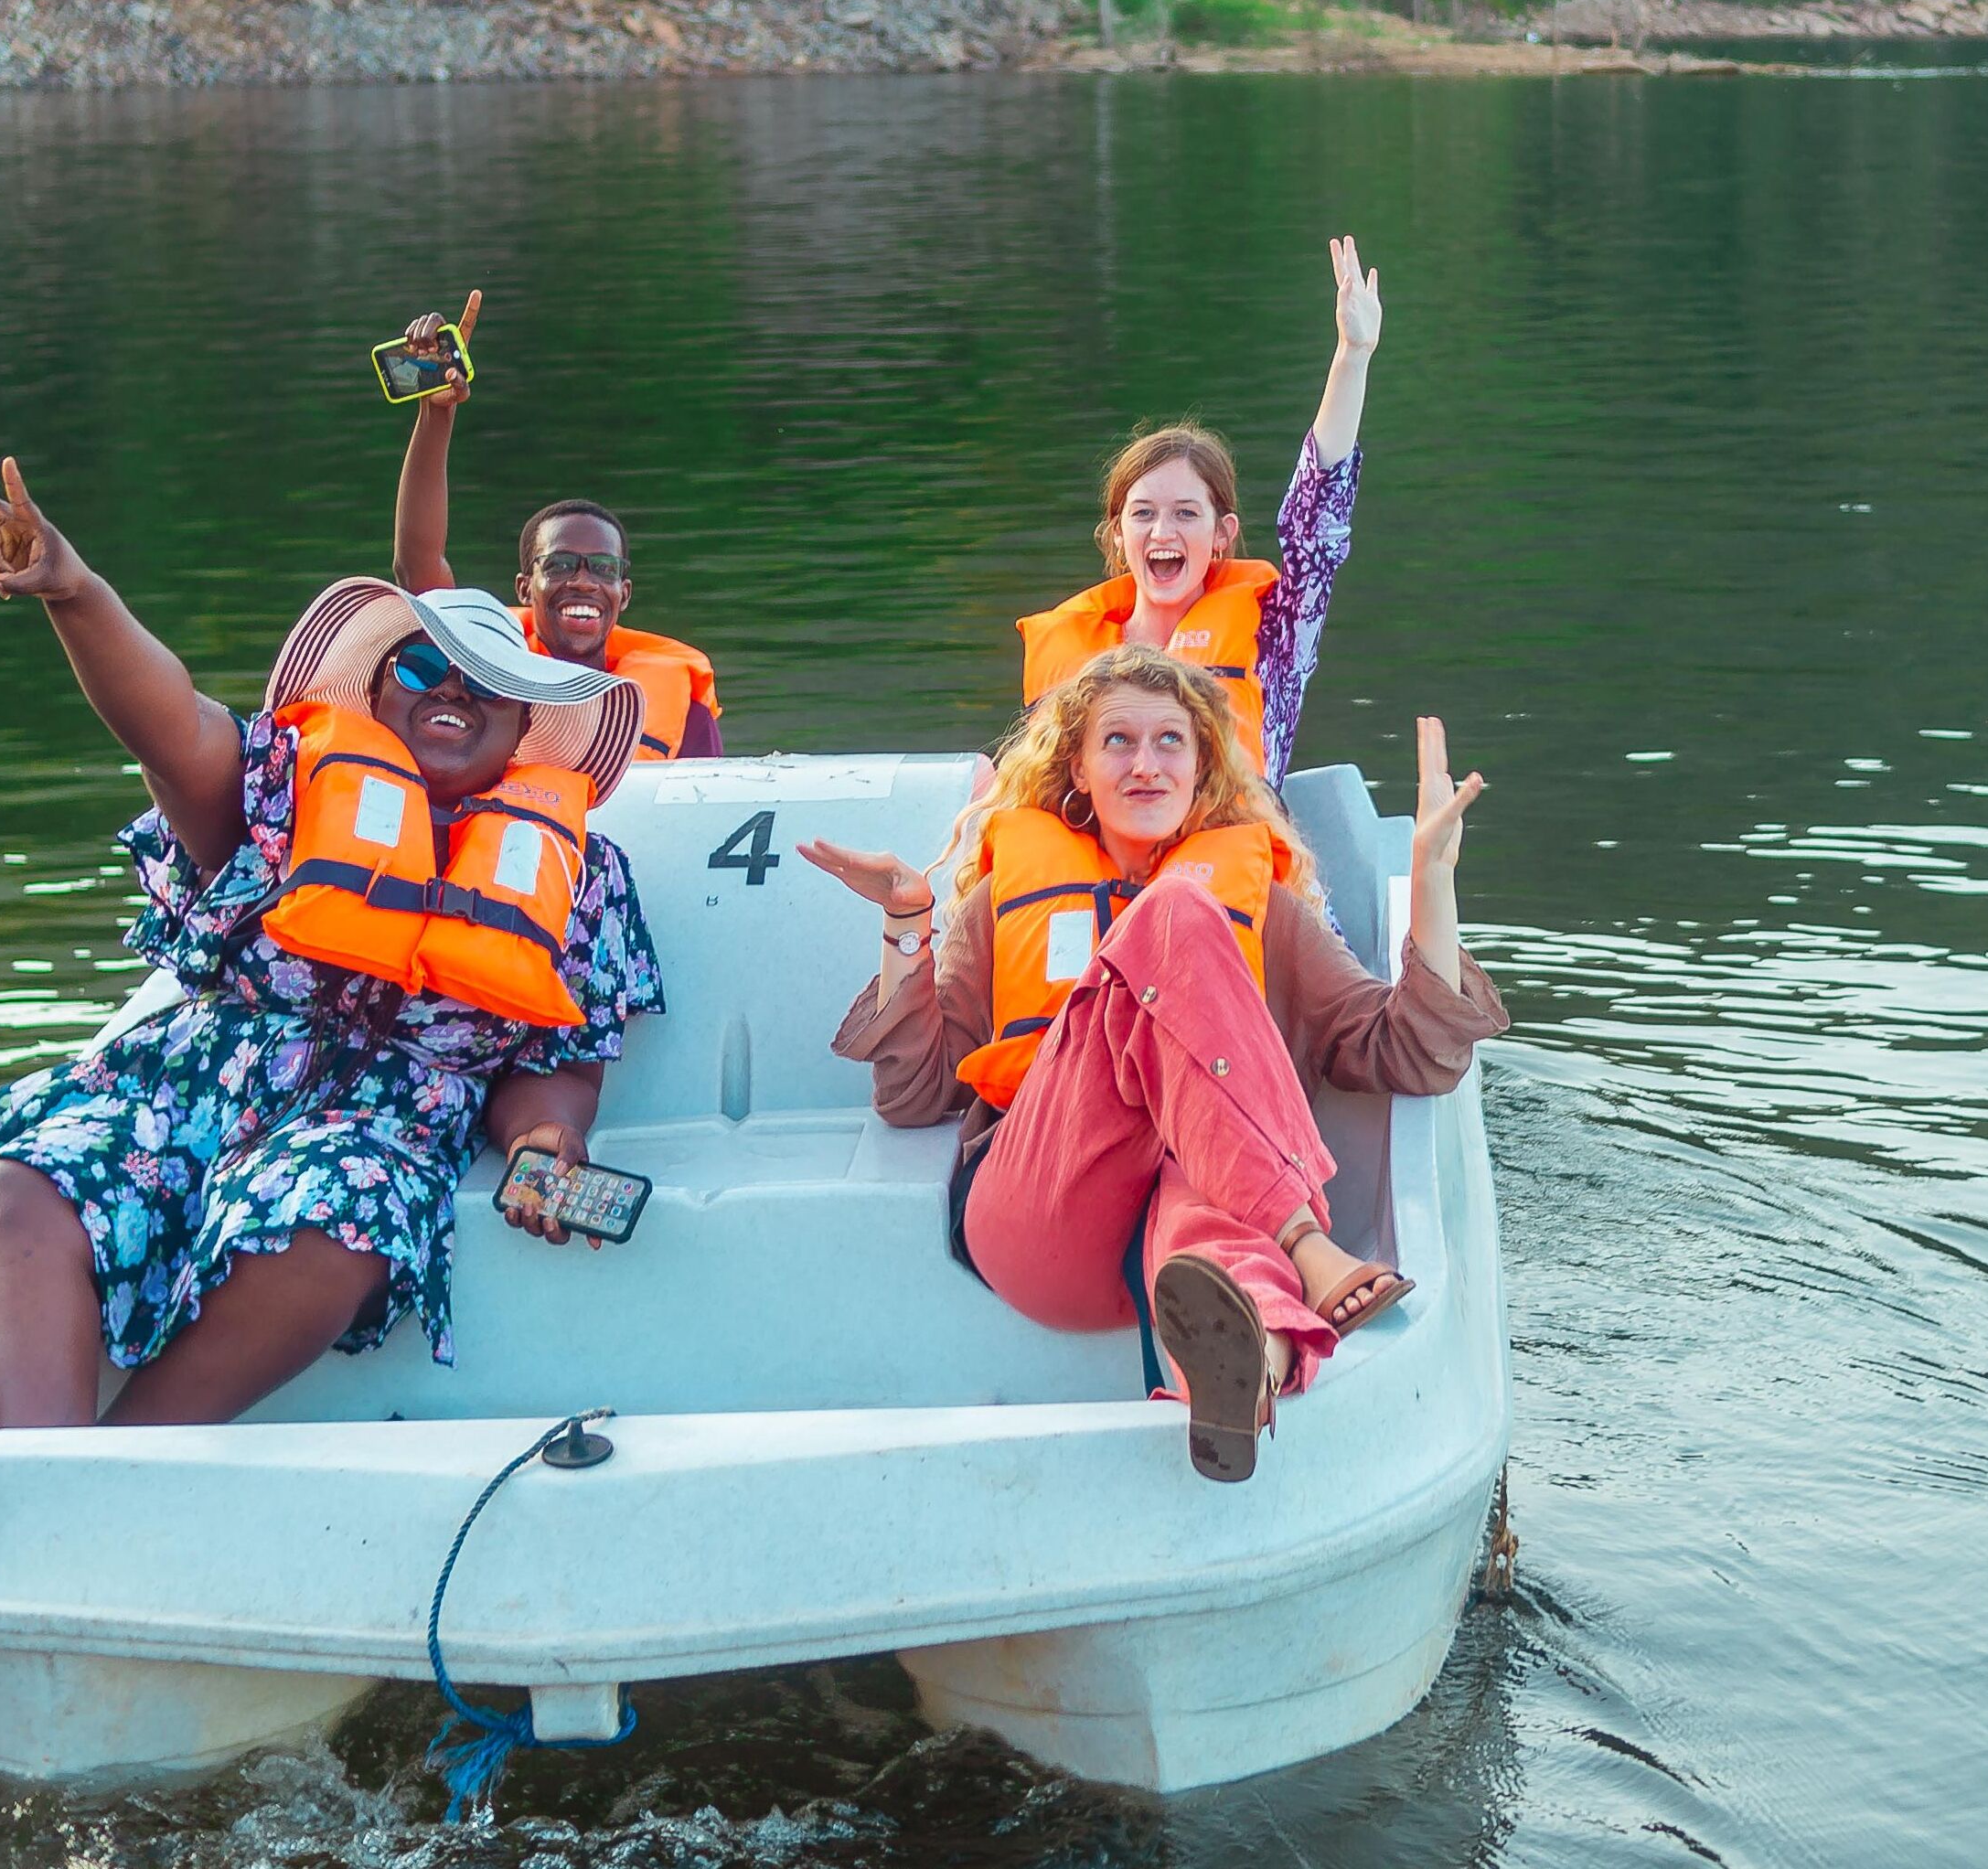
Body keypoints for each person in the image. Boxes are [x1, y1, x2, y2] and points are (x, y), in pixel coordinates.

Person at [0, 454, 663, 1429]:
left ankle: (117, 1467)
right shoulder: (284, 781)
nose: (451, 688)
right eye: (419, 665)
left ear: (527, 720)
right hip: (187, 1087)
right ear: (377, 687)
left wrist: (546, 1144)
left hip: (375, 1124)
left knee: (336, 1216)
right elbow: (169, 725)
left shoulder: (584, 873)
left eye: (489, 681)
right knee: (14, 1194)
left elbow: (557, 1064)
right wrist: (77, 592)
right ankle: (25, 1482)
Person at [801, 646, 1502, 1484]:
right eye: (1119, 742)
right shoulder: (1005, 899)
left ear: (1203, 766)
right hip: (1044, 1212)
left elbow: (1405, 1051)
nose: (1146, 763)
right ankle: (1304, 1244)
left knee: (1202, 1196)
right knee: (1175, 913)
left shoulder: (1265, 909)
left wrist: (1430, 879)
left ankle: (1256, 1363)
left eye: (1171, 741)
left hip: (1197, 1215)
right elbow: (914, 1097)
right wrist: (908, 923)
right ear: (1079, 768)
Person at [1017, 236, 1384, 787]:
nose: (1162, 531)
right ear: (1117, 536)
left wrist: (1352, 358)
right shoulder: (1075, 657)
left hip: (1222, 869)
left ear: (1222, 534)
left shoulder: (1273, 637)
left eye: (1187, 514)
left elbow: (1316, 532)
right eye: (1142, 515)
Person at [391, 290, 723, 763]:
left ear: (623, 594)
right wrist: (436, 412)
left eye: (603, 569)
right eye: (562, 564)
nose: (583, 582)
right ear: (526, 587)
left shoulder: (681, 708)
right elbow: (418, 566)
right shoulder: (486, 664)